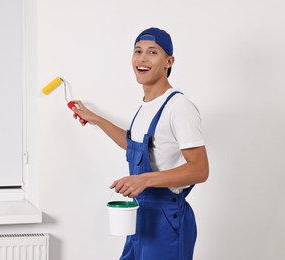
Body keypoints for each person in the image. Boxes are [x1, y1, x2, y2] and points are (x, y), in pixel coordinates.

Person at [71, 27, 209, 260]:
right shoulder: (145, 107)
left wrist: (144, 180)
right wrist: (97, 120)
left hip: (168, 218)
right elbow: (136, 148)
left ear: (169, 61)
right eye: (138, 51)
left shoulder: (179, 107)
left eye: (153, 52)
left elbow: (199, 170)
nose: (142, 58)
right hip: (141, 214)